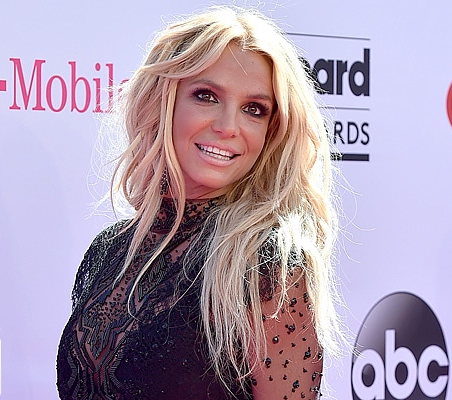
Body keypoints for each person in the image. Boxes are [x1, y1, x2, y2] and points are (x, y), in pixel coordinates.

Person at [57, 5, 346, 399]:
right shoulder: (107, 251)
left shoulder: (265, 261)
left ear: (270, 130)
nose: (228, 127)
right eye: (207, 96)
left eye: (253, 110)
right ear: (163, 100)